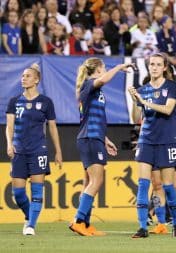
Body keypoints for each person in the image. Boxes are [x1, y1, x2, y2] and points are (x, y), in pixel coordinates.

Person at [69, 58, 134, 236]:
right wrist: (119, 67)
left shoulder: (93, 91)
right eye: (103, 67)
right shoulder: (89, 84)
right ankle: (79, 220)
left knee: (88, 183)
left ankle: (85, 224)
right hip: (90, 138)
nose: (105, 70)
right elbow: (104, 79)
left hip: (93, 137)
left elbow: (92, 118)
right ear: (97, 69)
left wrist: (105, 140)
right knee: (96, 181)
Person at [128, 53, 176, 238]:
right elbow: (136, 118)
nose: (154, 67)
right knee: (143, 185)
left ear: (165, 67)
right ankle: (142, 227)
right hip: (147, 140)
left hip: (166, 141)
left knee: (168, 186)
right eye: (152, 64)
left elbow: (168, 109)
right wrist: (136, 100)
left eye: (158, 64)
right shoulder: (143, 90)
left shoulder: (172, 87)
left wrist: (145, 102)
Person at [6, 63, 63, 236]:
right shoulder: (14, 101)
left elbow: (52, 127)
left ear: (36, 80)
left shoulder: (46, 102)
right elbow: (9, 126)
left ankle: (30, 225)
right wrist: (9, 143)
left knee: (37, 189)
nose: (24, 78)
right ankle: (28, 215)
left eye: (28, 76)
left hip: (39, 149)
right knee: (18, 193)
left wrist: (58, 151)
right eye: (23, 76)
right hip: (19, 150)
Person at [150, 65, 176, 234]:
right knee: (157, 184)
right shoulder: (152, 92)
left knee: (175, 186)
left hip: (172, 144)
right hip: (153, 143)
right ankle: (160, 223)